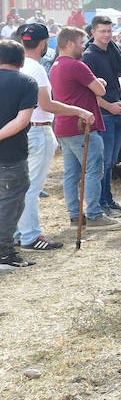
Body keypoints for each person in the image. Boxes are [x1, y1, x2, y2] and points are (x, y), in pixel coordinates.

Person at [17, 24, 97, 250]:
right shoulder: (37, 68)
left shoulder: (18, 66)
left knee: (20, 186)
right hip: (37, 127)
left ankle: (19, 232)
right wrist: (79, 111)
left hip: (22, 130)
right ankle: (30, 235)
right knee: (31, 187)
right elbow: (46, 104)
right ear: (43, 43)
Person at [50, 27, 116, 230]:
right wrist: (100, 81)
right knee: (93, 170)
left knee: (71, 173)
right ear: (70, 43)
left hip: (64, 126)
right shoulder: (76, 65)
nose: (84, 46)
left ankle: (75, 216)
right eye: (80, 42)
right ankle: (95, 215)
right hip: (82, 127)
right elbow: (100, 90)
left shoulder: (56, 65)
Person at [83, 15, 121, 216]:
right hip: (103, 115)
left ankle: (109, 200)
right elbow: (88, 93)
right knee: (102, 163)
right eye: (103, 31)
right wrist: (108, 107)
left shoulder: (112, 49)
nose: (107, 35)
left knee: (111, 162)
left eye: (109, 31)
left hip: (116, 113)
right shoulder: (89, 56)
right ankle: (101, 204)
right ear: (93, 33)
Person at [0, 39, 39, 270]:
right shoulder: (26, 82)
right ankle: (4, 254)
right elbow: (22, 120)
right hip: (12, 155)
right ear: (22, 61)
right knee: (10, 205)